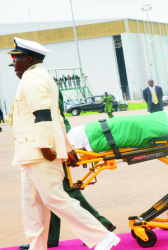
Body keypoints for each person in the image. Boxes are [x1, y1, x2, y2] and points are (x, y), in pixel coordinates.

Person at [8, 37, 119, 250]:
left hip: (38, 149)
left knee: (54, 197)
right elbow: (57, 117)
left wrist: (45, 146)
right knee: (32, 202)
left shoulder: (32, 78)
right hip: (30, 150)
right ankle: (37, 245)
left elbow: (42, 114)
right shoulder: (42, 76)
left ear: (29, 58)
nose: (14, 65)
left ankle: (100, 236)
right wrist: (67, 148)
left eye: (17, 59)